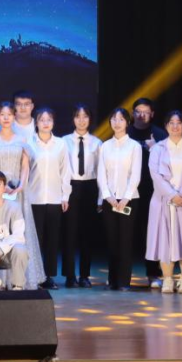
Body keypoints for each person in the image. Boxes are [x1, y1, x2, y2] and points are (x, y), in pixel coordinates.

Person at [0, 102, 46, 289]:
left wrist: (20, 187)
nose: (6, 118)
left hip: (17, 192)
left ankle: (18, 278)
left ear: (14, 117)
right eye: (2, 115)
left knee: (17, 232)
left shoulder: (21, 140)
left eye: (9, 114)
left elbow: (25, 166)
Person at [146, 110, 182, 294]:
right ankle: (167, 279)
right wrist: (172, 194)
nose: (175, 126)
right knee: (164, 239)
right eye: (171, 123)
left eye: (178, 123)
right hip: (163, 199)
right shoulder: (158, 148)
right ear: (166, 126)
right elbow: (155, 174)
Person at [97, 107, 142, 291]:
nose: (117, 123)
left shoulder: (134, 146)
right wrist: (107, 196)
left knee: (125, 240)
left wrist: (125, 197)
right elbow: (101, 174)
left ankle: (124, 281)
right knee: (112, 240)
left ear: (127, 122)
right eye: (114, 119)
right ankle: (112, 280)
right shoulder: (105, 146)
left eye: (121, 119)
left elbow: (135, 175)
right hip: (110, 200)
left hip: (128, 200)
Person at [27, 107, 72, 290]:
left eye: (49, 120)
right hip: (33, 198)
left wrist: (65, 196)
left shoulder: (60, 144)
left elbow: (65, 171)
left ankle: (49, 276)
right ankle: (35, 276)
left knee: (52, 240)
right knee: (35, 239)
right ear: (36, 122)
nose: (45, 123)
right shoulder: (29, 143)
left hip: (54, 198)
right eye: (42, 120)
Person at [128, 97, 168, 288]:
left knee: (152, 233)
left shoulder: (160, 134)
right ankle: (121, 274)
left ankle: (153, 273)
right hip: (127, 191)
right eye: (138, 111)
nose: (141, 115)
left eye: (146, 112)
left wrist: (154, 149)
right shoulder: (125, 132)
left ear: (152, 114)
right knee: (126, 233)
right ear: (132, 113)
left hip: (152, 191)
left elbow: (169, 163)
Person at [62, 104, 102, 288]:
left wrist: (100, 198)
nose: (81, 120)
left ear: (90, 119)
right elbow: (62, 169)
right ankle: (70, 276)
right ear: (73, 119)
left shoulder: (97, 143)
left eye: (85, 116)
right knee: (69, 233)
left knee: (87, 233)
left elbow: (101, 172)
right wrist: (63, 194)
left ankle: (84, 275)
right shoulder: (64, 141)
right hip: (70, 186)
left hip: (90, 187)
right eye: (78, 116)